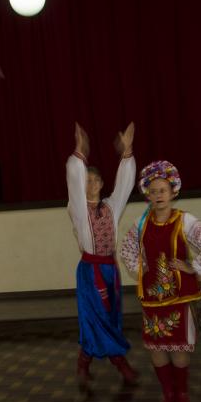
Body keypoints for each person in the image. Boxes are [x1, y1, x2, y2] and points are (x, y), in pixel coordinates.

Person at [120, 162, 201, 402]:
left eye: (163, 191)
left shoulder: (185, 220)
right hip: (152, 297)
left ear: (173, 192)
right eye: (153, 191)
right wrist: (138, 266)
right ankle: (167, 393)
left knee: (177, 348)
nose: (158, 196)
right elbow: (126, 248)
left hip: (178, 296)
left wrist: (192, 266)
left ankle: (182, 392)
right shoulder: (141, 223)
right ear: (147, 194)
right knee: (157, 347)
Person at [67, 122, 138, 386]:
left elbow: (125, 186)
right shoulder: (77, 208)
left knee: (109, 316)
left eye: (96, 179)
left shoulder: (111, 206)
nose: (92, 183)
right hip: (89, 272)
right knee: (93, 317)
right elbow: (73, 182)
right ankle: (119, 363)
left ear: (102, 183)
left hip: (109, 270)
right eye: (87, 180)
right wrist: (79, 151)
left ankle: (85, 360)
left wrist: (127, 153)